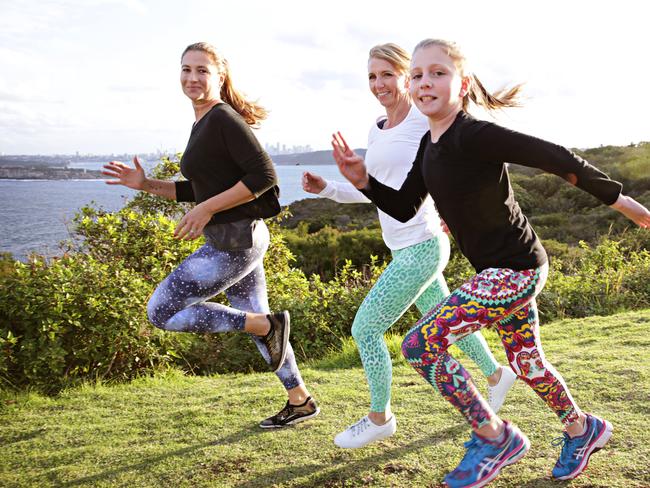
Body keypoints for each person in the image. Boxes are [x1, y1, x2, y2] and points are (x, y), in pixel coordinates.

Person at [331, 38, 650, 487]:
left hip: (516, 270)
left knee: (421, 344)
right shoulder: (429, 145)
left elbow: (556, 158)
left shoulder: (475, 134)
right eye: (418, 74)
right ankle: (583, 429)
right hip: (495, 274)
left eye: (438, 73)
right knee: (526, 362)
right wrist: (364, 181)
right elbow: (404, 206)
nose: (426, 82)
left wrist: (628, 205)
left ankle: (494, 436)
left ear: (461, 83)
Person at [304, 43, 516, 449]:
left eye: (386, 74)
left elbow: (453, 166)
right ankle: (496, 375)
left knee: (365, 329)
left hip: (422, 244)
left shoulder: (423, 122)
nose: (378, 83)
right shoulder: (377, 128)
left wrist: (455, 210)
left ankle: (379, 416)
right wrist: (329, 188)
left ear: (406, 76)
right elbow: (378, 191)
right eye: (371, 76)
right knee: (443, 315)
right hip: (402, 246)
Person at [102, 42, 319, 429]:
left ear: (220, 76)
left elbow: (264, 177)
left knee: (162, 311)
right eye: (186, 69)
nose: (192, 77)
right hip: (239, 239)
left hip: (235, 243)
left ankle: (266, 325)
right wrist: (147, 184)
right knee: (257, 322)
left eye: (202, 70)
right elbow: (196, 189)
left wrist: (205, 210)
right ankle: (299, 400)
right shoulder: (203, 121)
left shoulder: (222, 118)